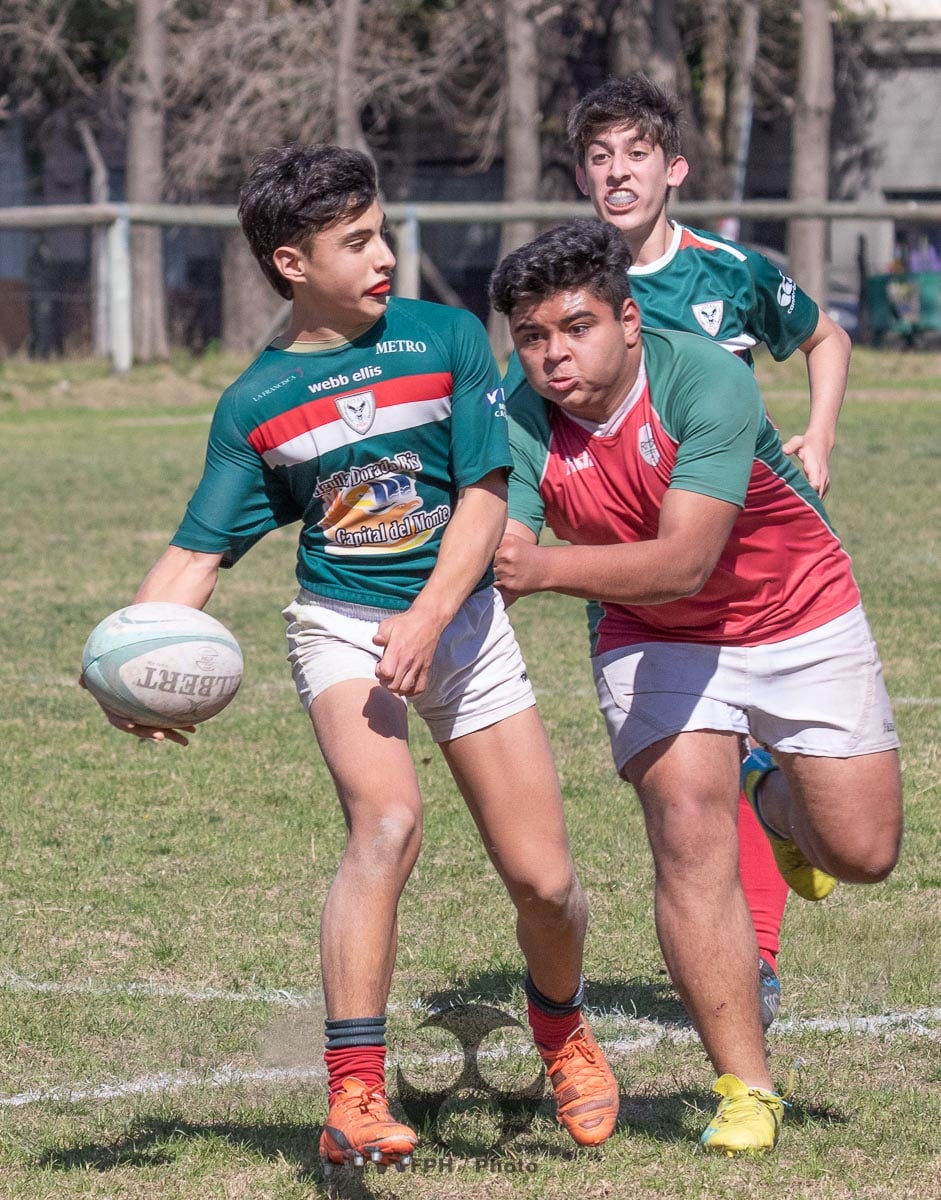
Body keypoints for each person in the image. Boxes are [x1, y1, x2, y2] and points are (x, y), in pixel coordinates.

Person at [83, 147, 618, 1171]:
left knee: (545, 884)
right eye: (357, 241)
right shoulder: (256, 402)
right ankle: (354, 1092)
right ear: (292, 263)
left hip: (458, 622)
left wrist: (429, 614)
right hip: (339, 626)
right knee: (387, 821)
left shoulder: (445, 337)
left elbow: (485, 495)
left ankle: (560, 1028)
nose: (384, 256)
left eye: (380, 232)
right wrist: (120, 664)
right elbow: (196, 556)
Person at [489, 220, 902, 1154]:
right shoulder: (518, 414)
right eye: (532, 337)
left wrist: (540, 569)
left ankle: (773, 798)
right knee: (684, 825)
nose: (554, 356)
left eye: (576, 327)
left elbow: (683, 560)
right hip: (650, 632)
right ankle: (744, 1088)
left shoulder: (705, 378)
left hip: (794, 607)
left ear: (628, 321)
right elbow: (504, 541)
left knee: (862, 853)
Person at [556, 73, 855, 1025]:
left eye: (636, 154)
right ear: (581, 177)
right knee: (691, 792)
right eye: (599, 157)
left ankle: (760, 907)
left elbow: (825, 338)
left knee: (799, 801)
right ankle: (751, 957)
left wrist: (818, 436)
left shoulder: (729, 272)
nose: (617, 173)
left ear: (673, 169)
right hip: (639, 573)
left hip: (754, 561)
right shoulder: (568, 296)